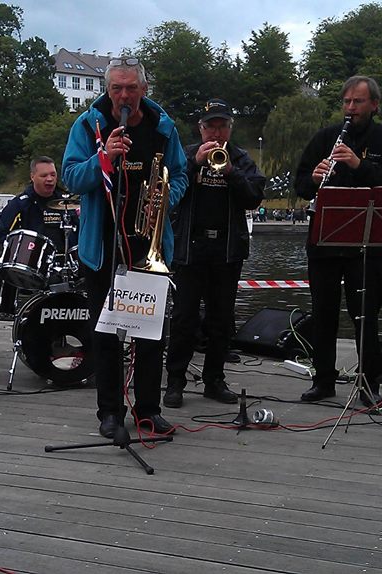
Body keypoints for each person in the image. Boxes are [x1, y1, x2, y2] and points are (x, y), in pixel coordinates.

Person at [62, 57, 187, 439]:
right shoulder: (88, 125)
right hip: (103, 246)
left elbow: (181, 173)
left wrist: (164, 201)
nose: (124, 96)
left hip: (148, 245)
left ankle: (148, 411)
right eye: (116, 88)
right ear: (108, 89)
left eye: (131, 88)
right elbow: (71, 176)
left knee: (150, 334)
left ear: (144, 89)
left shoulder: (163, 126)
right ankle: (110, 413)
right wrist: (103, 158)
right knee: (105, 335)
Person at [293, 75, 382, 407]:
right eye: (346, 101)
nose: (350, 107)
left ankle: (369, 384)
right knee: (323, 313)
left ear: (374, 105)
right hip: (325, 241)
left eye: (357, 102)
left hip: (366, 244)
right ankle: (323, 381)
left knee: (366, 315)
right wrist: (313, 178)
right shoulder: (325, 138)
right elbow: (299, 184)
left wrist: (360, 165)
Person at [163, 98, 265, 408]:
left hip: (226, 250)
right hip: (190, 249)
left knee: (221, 320)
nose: (216, 133)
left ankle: (214, 380)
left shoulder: (241, 159)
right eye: (211, 127)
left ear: (230, 128)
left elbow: (253, 198)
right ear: (201, 128)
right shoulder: (184, 156)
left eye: (222, 126)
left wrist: (231, 172)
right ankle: (175, 382)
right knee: (183, 318)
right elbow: (168, 191)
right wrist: (193, 164)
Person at [0, 156, 76, 251]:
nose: (50, 179)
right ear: (32, 177)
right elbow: (1, 235)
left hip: (63, 258)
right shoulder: (19, 204)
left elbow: (78, 232)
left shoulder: (66, 203)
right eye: (44, 175)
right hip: (29, 257)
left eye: (53, 175)